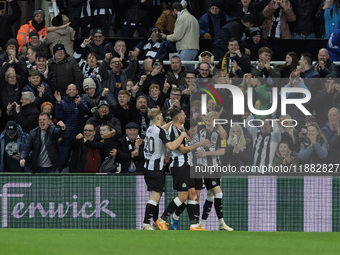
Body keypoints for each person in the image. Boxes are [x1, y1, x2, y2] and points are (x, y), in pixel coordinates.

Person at [141, 107, 189, 230]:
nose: (162, 117)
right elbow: (172, 146)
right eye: (161, 115)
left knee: (155, 196)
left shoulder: (150, 129)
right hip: (156, 169)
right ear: (158, 117)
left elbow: (161, 130)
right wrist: (182, 135)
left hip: (147, 167)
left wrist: (172, 122)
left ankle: (153, 222)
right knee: (155, 197)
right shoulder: (161, 131)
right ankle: (146, 223)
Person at [195, 111, 233, 231]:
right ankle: (222, 223)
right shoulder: (200, 132)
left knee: (211, 195)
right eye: (207, 120)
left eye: (211, 121)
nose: (208, 123)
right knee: (218, 193)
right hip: (205, 168)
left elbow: (222, 151)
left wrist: (205, 153)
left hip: (216, 167)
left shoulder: (220, 135)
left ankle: (202, 224)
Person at [160, 2, 200, 70]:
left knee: (182, 67)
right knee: (189, 68)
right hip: (194, 48)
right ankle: (197, 77)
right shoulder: (192, 17)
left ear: (175, 10)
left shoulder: (182, 18)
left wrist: (166, 37)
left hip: (186, 48)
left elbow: (177, 36)